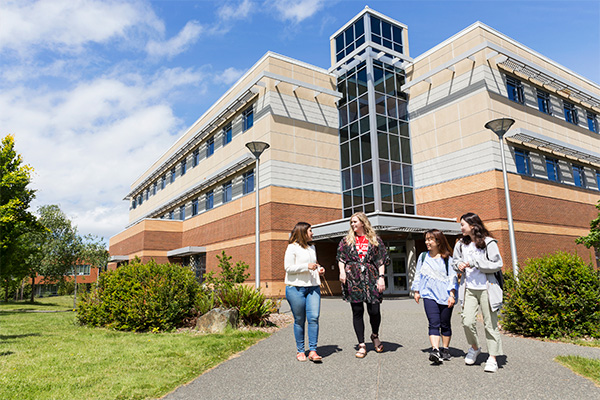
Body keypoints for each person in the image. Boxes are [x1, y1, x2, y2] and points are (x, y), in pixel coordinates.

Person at [452, 212, 504, 373]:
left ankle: (493, 358)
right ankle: (474, 347)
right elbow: (455, 262)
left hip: (487, 289)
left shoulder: (488, 242)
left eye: (463, 225)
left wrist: (476, 262)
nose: (461, 228)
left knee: (490, 324)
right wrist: (459, 264)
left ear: (473, 226)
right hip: (468, 288)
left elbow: (498, 264)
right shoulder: (461, 244)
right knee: (467, 321)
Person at [337, 212, 390, 358]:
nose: (353, 225)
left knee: (374, 310)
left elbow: (381, 260)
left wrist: (381, 278)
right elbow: (341, 258)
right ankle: (361, 344)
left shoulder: (374, 240)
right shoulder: (346, 241)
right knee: (357, 311)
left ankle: (374, 335)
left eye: (355, 222)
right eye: (351, 222)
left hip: (371, 278)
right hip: (353, 279)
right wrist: (342, 272)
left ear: (363, 222)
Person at [411, 229, 458, 364]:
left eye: (430, 239)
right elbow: (418, 274)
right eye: (426, 239)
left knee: (445, 324)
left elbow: (452, 278)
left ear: (438, 241)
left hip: (445, 295)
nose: (427, 242)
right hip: (428, 294)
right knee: (433, 323)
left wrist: (452, 295)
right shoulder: (423, 257)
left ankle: (445, 349)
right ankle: (435, 350)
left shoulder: (448, 259)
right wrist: (417, 291)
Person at [284, 222, 325, 362]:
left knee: (314, 318)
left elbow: (314, 263)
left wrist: (319, 268)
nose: (312, 233)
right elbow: (288, 268)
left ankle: (313, 351)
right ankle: (300, 351)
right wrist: (306, 266)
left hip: (313, 287)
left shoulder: (312, 247)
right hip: (295, 288)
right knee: (300, 320)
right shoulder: (292, 248)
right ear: (302, 232)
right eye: (310, 231)